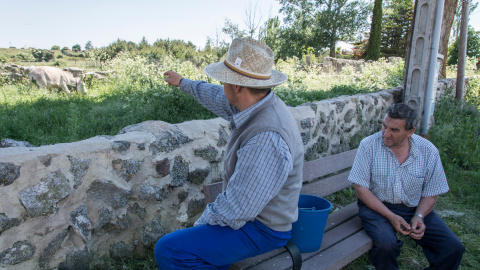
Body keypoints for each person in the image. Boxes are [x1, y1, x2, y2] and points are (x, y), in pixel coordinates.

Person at [154, 38, 304, 270]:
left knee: (170, 250)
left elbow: (237, 208)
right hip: (253, 217)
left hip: (263, 229)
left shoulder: (266, 138)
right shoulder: (256, 102)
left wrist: (199, 226)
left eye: (223, 79)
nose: (221, 84)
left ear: (237, 86)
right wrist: (183, 82)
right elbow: (215, 96)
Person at [348, 103, 465, 269]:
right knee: (386, 246)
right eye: (384, 126)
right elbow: (360, 189)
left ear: (411, 131)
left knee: (453, 248)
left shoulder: (428, 151)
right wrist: (391, 216)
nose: (386, 134)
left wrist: (420, 216)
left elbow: (431, 192)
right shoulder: (369, 145)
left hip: (413, 208)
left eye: (394, 130)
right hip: (377, 208)